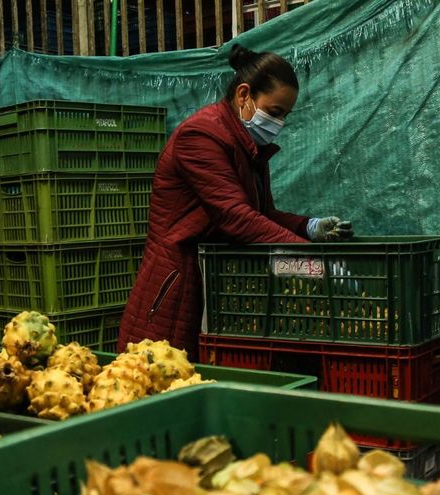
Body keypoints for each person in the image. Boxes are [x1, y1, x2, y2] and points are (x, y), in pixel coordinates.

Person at [117, 45, 352, 356]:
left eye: (285, 115)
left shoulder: (249, 147)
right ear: (244, 96)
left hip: (215, 282)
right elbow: (236, 217)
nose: (279, 124)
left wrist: (308, 227)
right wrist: (314, 264)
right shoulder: (200, 137)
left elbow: (262, 214)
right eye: (274, 112)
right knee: (162, 374)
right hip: (178, 283)